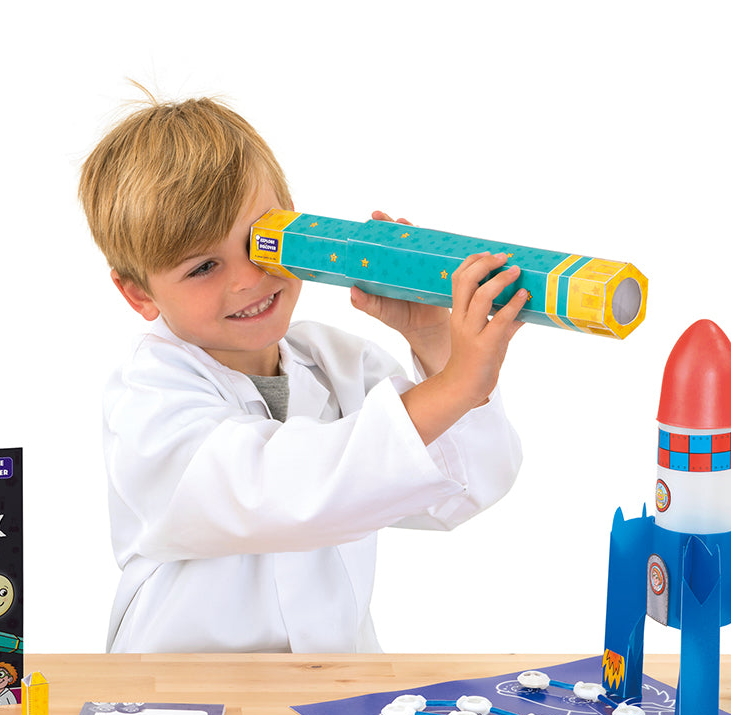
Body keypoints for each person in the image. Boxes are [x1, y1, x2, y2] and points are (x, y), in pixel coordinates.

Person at [80, 92, 527, 654]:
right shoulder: (147, 399)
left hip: (332, 685)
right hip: (178, 689)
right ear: (139, 293)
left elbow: (463, 488)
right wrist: (456, 383)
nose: (248, 279)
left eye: (260, 239)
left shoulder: (342, 363)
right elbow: (277, 489)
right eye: (204, 266)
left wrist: (434, 340)